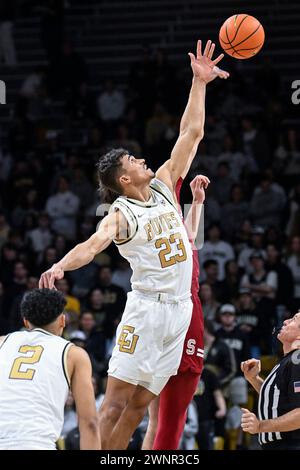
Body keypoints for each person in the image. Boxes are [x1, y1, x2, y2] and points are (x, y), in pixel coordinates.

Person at [39, 39, 229, 450]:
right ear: (124, 180)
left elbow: (191, 133)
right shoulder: (121, 214)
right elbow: (91, 246)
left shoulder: (163, 185)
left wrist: (200, 83)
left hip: (179, 312)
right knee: (115, 403)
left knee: (141, 406)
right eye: (133, 162)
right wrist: (60, 266)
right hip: (146, 311)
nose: (143, 161)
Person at [142, 174, 207, 450]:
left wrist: (197, 201)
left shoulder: (165, 223)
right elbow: (190, 137)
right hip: (181, 311)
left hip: (155, 315)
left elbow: (189, 239)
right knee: (171, 420)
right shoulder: (156, 217)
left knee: (155, 420)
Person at [0, 288, 100, 450]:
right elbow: (89, 423)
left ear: (25, 321)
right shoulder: (73, 354)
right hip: (36, 444)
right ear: (63, 321)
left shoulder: (2, 342)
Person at [241, 311, 300, 449]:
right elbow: (278, 397)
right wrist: (254, 379)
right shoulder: (289, 360)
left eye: (294, 319)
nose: (285, 321)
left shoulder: (297, 360)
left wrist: (260, 426)